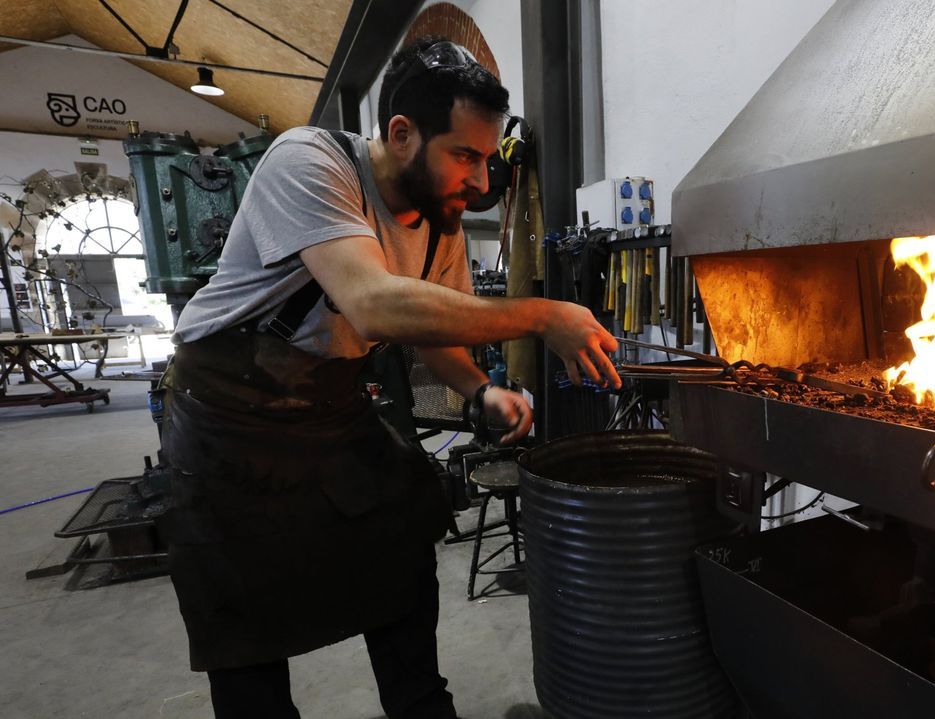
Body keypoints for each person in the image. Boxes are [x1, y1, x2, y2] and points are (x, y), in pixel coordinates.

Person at [157, 36, 621, 718]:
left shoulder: (441, 222)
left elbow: (432, 329)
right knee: (245, 620)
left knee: (402, 545)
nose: (483, 181)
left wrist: (479, 389)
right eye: (465, 155)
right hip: (228, 408)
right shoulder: (309, 162)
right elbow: (373, 301)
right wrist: (544, 313)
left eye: (488, 159)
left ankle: (422, 707)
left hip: (328, 400)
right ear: (402, 134)